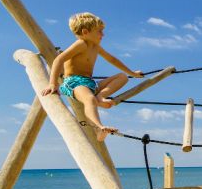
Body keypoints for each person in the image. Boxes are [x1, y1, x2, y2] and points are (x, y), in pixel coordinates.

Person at [42, 12, 143, 141]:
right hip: (74, 83)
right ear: (85, 32)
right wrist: (53, 83)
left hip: (90, 83)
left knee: (122, 77)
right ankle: (99, 128)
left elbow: (112, 59)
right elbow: (58, 60)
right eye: (99, 31)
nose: (103, 34)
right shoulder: (81, 44)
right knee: (89, 99)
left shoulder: (96, 47)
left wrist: (132, 73)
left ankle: (100, 97)